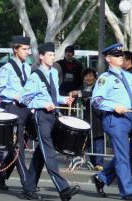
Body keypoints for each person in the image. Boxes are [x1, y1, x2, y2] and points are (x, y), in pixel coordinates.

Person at [20, 42, 80, 201]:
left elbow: (53, 96)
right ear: (41, 56)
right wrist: (42, 104)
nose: (53, 57)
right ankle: (63, 188)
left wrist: (63, 99)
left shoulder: (53, 72)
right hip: (41, 117)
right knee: (49, 153)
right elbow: (24, 99)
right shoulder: (35, 76)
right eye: (50, 55)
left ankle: (28, 187)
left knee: (41, 154)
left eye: (54, 55)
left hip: (53, 115)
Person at [91, 43, 132, 201]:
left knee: (126, 153)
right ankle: (127, 192)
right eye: (117, 55)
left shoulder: (128, 76)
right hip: (115, 120)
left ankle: (102, 177)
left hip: (129, 118)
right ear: (108, 58)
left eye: (121, 55)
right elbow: (96, 101)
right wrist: (114, 107)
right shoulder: (104, 79)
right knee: (122, 157)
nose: (121, 57)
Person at [0, 35, 31, 190]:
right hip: (13, 109)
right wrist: (15, 95)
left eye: (28, 49)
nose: (27, 52)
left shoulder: (27, 67)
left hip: (26, 109)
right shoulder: (6, 68)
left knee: (17, 146)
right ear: (15, 50)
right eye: (24, 49)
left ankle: (0, 174)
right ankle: (27, 184)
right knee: (17, 146)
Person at [69, 68, 104, 170]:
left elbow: (94, 95)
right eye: (86, 76)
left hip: (97, 116)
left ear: (95, 77)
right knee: (89, 141)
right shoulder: (81, 87)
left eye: (91, 75)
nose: (88, 78)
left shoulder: (98, 87)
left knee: (98, 140)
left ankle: (99, 163)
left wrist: (79, 93)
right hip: (86, 117)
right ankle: (93, 163)